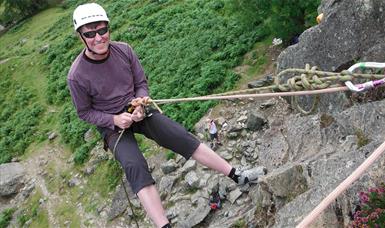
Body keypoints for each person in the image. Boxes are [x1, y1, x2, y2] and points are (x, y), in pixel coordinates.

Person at [67, 3, 263, 228]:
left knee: (179, 135)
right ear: (81, 37)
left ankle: (237, 175)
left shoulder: (124, 50)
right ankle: (164, 225)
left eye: (102, 30)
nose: (98, 38)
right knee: (134, 165)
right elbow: (84, 112)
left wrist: (140, 102)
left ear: (109, 28)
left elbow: (140, 83)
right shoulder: (77, 75)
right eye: (90, 34)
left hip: (136, 108)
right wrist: (113, 120)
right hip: (112, 123)